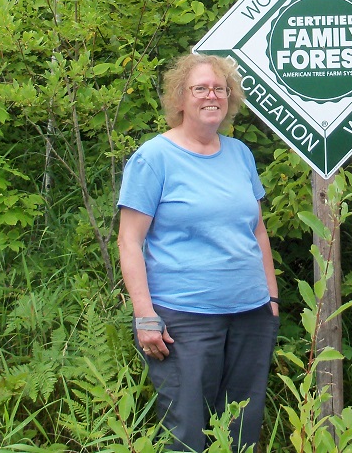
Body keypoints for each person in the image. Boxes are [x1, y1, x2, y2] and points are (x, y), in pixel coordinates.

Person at [116, 53, 279, 452]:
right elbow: (129, 240)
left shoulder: (239, 154)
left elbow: (257, 231)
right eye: (200, 88)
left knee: (241, 432)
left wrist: (272, 300)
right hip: (184, 320)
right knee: (187, 433)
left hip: (250, 316)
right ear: (180, 99)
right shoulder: (154, 158)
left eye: (219, 89)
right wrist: (144, 315)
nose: (212, 96)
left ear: (230, 98)